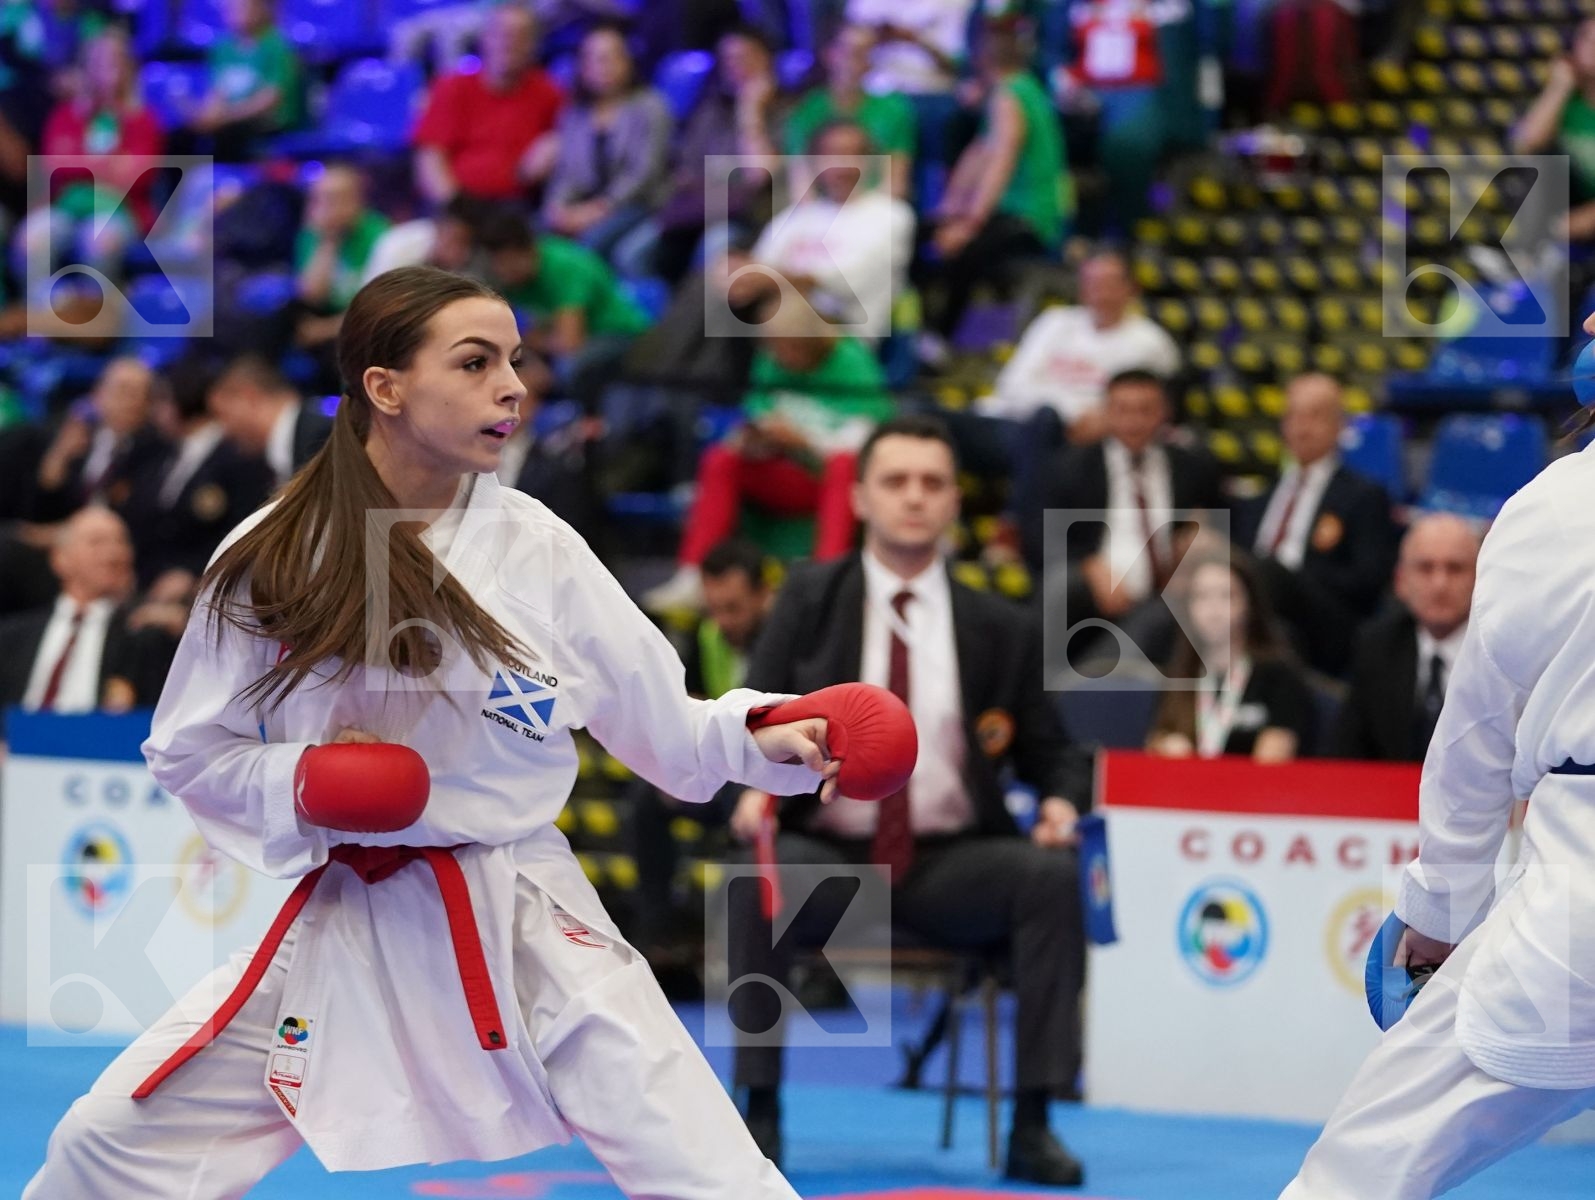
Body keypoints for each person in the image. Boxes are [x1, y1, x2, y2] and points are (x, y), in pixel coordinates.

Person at [23, 265, 852, 1198]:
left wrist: (768, 733)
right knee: (106, 1143)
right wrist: (304, 780)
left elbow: (670, 727)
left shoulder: (538, 547)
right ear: (384, 387)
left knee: (714, 1176)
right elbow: (187, 747)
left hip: (528, 917)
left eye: (515, 360)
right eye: (473, 362)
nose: (512, 386)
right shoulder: (272, 555)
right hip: (349, 917)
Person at [1274, 313, 1595, 1200]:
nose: (1591, 321)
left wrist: (1440, 913)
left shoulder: (1556, 507)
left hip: (1577, 921)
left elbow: (1475, 736)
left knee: (1353, 1176)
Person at [727, 414, 1091, 1186]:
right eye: (896, 481)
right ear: (859, 496)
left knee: (1050, 880)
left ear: (955, 500)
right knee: (755, 875)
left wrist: (1060, 805)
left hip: (949, 863)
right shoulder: (807, 597)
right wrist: (752, 790)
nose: (914, 498)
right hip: (827, 853)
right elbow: (751, 713)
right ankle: (758, 1112)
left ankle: (1033, 1120)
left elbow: (1054, 753)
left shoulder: (1001, 625)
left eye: (932, 483)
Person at [643, 299, 896, 613]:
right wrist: (752, 440)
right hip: (783, 471)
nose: (781, 357)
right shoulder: (770, 360)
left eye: (789, 348)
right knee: (722, 458)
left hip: (832, 481)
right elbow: (757, 414)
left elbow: (867, 442)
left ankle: (825, 580)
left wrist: (804, 441)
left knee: (843, 465)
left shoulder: (852, 361)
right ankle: (694, 575)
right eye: (775, 347)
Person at [1030, 369, 1224, 663]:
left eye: (1145, 410)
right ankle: (1050, 684)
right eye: (1123, 410)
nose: (1134, 421)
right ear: (1107, 412)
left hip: (1164, 591)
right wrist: (1088, 565)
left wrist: (1196, 543)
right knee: (1060, 586)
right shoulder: (1072, 467)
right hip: (1090, 587)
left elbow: (1220, 521)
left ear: (1164, 413)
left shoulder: (1192, 467)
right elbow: (1041, 535)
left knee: (1169, 610)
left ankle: (1086, 686)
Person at [1233, 373, 1396, 676]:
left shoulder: (1362, 496)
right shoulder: (1261, 496)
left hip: (1327, 624)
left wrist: (1292, 578)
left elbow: (1369, 579)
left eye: (1314, 416)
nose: (1301, 428)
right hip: (1257, 611)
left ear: (1340, 425)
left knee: (1267, 572)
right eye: (1293, 416)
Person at [918, 16, 1066, 345]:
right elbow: (977, 157)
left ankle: (936, 340)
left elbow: (1002, 158)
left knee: (964, 253)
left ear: (979, 58)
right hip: (1008, 215)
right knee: (925, 235)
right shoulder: (1012, 91)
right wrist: (949, 211)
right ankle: (919, 333)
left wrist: (970, 222)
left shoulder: (1010, 97)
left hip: (1028, 220)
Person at [12, 26, 163, 311]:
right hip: (67, 207)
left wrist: (80, 162)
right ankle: (44, 325)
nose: (107, 70)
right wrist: (108, 163)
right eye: (99, 63)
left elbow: (137, 176)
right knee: (31, 240)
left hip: (120, 209)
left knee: (99, 241)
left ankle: (96, 331)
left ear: (129, 68)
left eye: (115, 62)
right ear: (85, 69)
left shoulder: (143, 120)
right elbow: (54, 165)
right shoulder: (65, 116)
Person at [0, 506, 176, 738]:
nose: (114, 554)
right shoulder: (11, 637)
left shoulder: (145, 635)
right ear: (59, 558)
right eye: (97, 542)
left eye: (122, 542)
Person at [1331, 513, 1482, 764]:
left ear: (1481, 578)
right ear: (1401, 581)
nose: (1439, 584)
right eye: (1425, 568)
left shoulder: (1504, 651)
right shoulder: (1376, 647)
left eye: (1455, 569)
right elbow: (1348, 756)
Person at [1147, 550, 1316, 762]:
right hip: (1185, 790)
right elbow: (1155, 739)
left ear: (1250, 604)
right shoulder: (1181, 671)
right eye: (1201, 597)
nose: (1213, 610)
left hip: (1256, 792)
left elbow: (1273, 764)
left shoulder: (1279, 676)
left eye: (1226, 596)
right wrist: (1165, 746)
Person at [541, 23, 674, 270]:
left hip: (640, 205)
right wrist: (558, 209)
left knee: (590, 244)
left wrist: (596, 210)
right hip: (587, 204)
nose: (601, 66)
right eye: (592, 58)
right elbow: (567, 172)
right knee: (536, 240)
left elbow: (643, 175)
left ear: (628, 61)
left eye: (609, 57)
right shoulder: (574, 114)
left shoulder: (650, 107)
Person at [411, 3, 564, 205]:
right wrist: (457, 208)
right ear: (485, 39)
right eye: (501, 34)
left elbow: (574, 140)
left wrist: (556, 142)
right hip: (456, 207)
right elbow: (430, 161)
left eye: (520, 36)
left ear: (533, 44)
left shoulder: (550, 93)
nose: (509, 43)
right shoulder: (451, 87)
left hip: (518, 209)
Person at [784, 25, 917, 199]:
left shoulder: (893, 109)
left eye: (865, 52)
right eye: (848, 51)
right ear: (829, 55)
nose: (855, 60)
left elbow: (896, 183)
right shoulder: (806, 110)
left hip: (874, 206)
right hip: (822, 208)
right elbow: (800, 181)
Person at [184, 0, 304, 162]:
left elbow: (272, 98)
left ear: (261, 9)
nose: (237, 13)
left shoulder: (278, 46)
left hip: (268, 122)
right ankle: (181, 185)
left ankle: (225, 182)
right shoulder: (222, 47)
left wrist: (227, 117)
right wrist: (207, 116)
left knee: (226, 135)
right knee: (182, 136)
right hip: (229, 120)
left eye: (244, 8)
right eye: (232, 8)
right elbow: (217, 92)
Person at [1513, 18, 1595, 244]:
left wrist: (1572, 225)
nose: (1591, 48)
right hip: (1570, 210)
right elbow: (1528, 143)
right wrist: (1559, 86)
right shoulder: (1568, 98)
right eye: (1587, 39)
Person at [207, 354, 332, 488]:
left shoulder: (322, 434)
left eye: (223, 415)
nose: (226, 432)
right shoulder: (267, 462)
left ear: (250, 398)